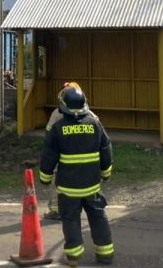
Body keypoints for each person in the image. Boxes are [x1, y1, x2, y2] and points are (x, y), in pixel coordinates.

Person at [40, 87, 114, 266]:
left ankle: (73, 257)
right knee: (98, 217)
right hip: (92, 185)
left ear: (63, 107)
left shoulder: (58, 128)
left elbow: (48, 155)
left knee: (71, 219)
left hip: (68, 187)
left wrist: (45, 177)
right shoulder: (95, 124)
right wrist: (106, 172)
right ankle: (105, 254)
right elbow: (106, 148)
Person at [43, 81, 99, 221]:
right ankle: (88, 209)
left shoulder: (57, 113)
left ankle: (57, 210)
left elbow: (49, 135)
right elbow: (100, 133)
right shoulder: (90, 115)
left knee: (58, 182)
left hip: (63, 156)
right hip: (86, 158)